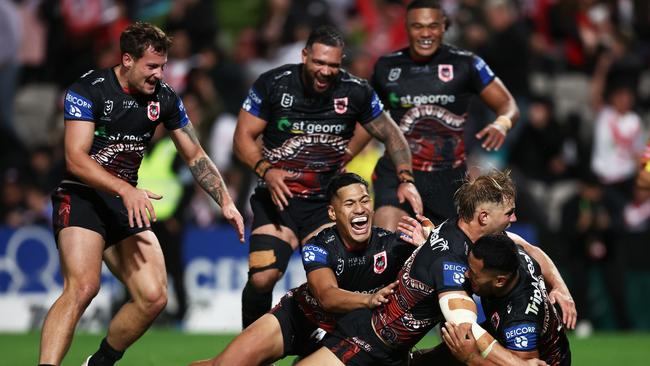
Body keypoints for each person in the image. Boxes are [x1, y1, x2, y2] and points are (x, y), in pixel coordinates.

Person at [39, 22, 244, 366]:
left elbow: (194, 154)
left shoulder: (164, 98)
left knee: (153, 297)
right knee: (83, 287)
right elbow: (75, 159)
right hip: (82, 197)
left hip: (124, 203)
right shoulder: (89, 90)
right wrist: (125, 189)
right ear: (128, 60)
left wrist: (225, 200)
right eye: (152, 66)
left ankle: (99, 362)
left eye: (163, 66)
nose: (159, 74)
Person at [234, 25, 423, 328]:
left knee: (333, 283)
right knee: (262, 278)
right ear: (305, 55)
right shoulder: (273, 84)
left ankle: (330, 347)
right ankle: (250, 345)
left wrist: (405, 177)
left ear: (341, 62)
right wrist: (266, 171)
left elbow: (392, 134)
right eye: (319, 63)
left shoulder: (355, 91)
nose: (325, 71)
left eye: (333, 65)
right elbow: (242, 138)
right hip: (277, 200)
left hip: (325, 205)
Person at [295, 170, 575, 366]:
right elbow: (464, 326)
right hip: (368, 340)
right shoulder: (451, 262)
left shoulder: (470, 232)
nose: (514, 218)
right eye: (508, 213)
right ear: (484, 216)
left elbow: (529, 248)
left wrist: (561, 288)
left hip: (396, 349)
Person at [190, 173, 428, 366]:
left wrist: (427, 243)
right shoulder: (319, 245)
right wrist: (368, 300)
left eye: (365, 200)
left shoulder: (393, 245)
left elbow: (445, 254)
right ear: (333, 213)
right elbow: (326, 296)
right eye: (350, 203)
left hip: (347, 336)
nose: (360, 209)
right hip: (299, 318)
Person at [362, 0, 519, 229]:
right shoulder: (386, 67)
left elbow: (508, 104)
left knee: (442, 260)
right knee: (385, 249)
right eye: (417, 26)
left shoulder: (467, 64)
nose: (425, 33)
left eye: (433, 26)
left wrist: (502, 123)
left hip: (448, 178)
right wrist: (342, 157)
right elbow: (368, 118)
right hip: (397, 172)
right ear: (406, 27)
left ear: (444, 26)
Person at [417, 234, 571, 365]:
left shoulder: (520, 321)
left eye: (474, 274)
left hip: (546, 359)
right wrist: (560, 286)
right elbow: (528, 246)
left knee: (463, 349)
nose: (465, 274)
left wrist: (473, 359)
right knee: (449, 347)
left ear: (500, 281)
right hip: (500, 331)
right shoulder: (506, 253)